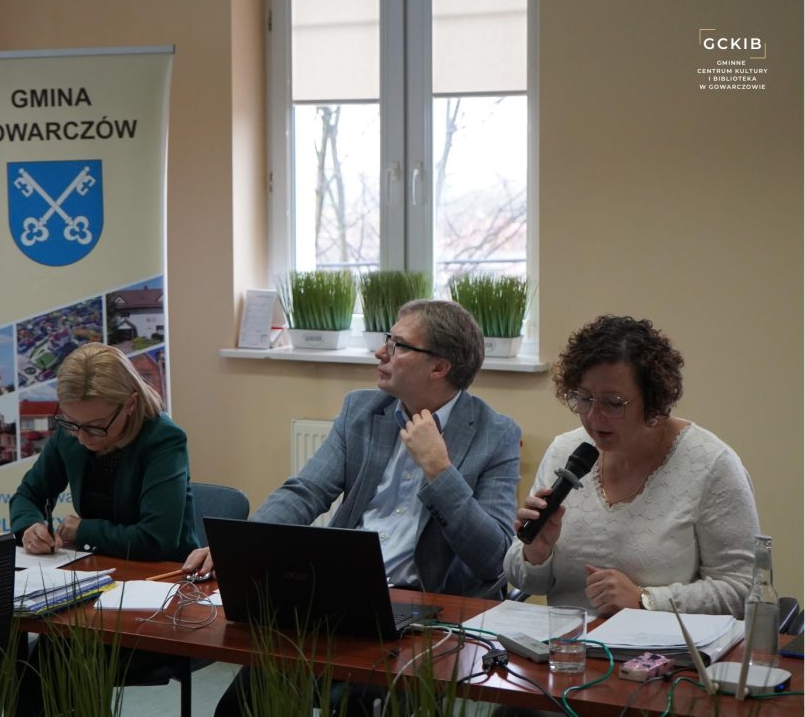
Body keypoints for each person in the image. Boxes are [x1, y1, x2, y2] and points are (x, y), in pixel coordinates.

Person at [190, 299, 521, 716]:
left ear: (439, 366)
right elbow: (306, 491)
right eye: (387, 340)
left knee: (361, 704)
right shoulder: (361, 411)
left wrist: (440, 471)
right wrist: (242, 549)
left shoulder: (495, 434)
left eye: (398, 345)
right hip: (341, 595)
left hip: (425, 613)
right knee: (246, 702)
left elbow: (494, 557)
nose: (381, 352)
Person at [502, 315, 759, 618]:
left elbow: (744, 590)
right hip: (565, 643)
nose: (594, 417)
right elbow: (524, 580)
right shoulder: (565, 452)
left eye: (613, 403)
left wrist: (646, 600)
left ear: (653, 399)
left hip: (663, 647)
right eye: (584, 399)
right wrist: (536, 552)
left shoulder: (712, 465)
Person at [10, 341, 198, 562]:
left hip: (165, 571)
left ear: (130, 404)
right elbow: (28, 495)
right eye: (72, 422)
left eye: (96, 426)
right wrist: (30, 527)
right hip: (96, 564)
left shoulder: (163, 439)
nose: (82, 438)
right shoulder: (71, 432)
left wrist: (82, 530)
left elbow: (155, 540)